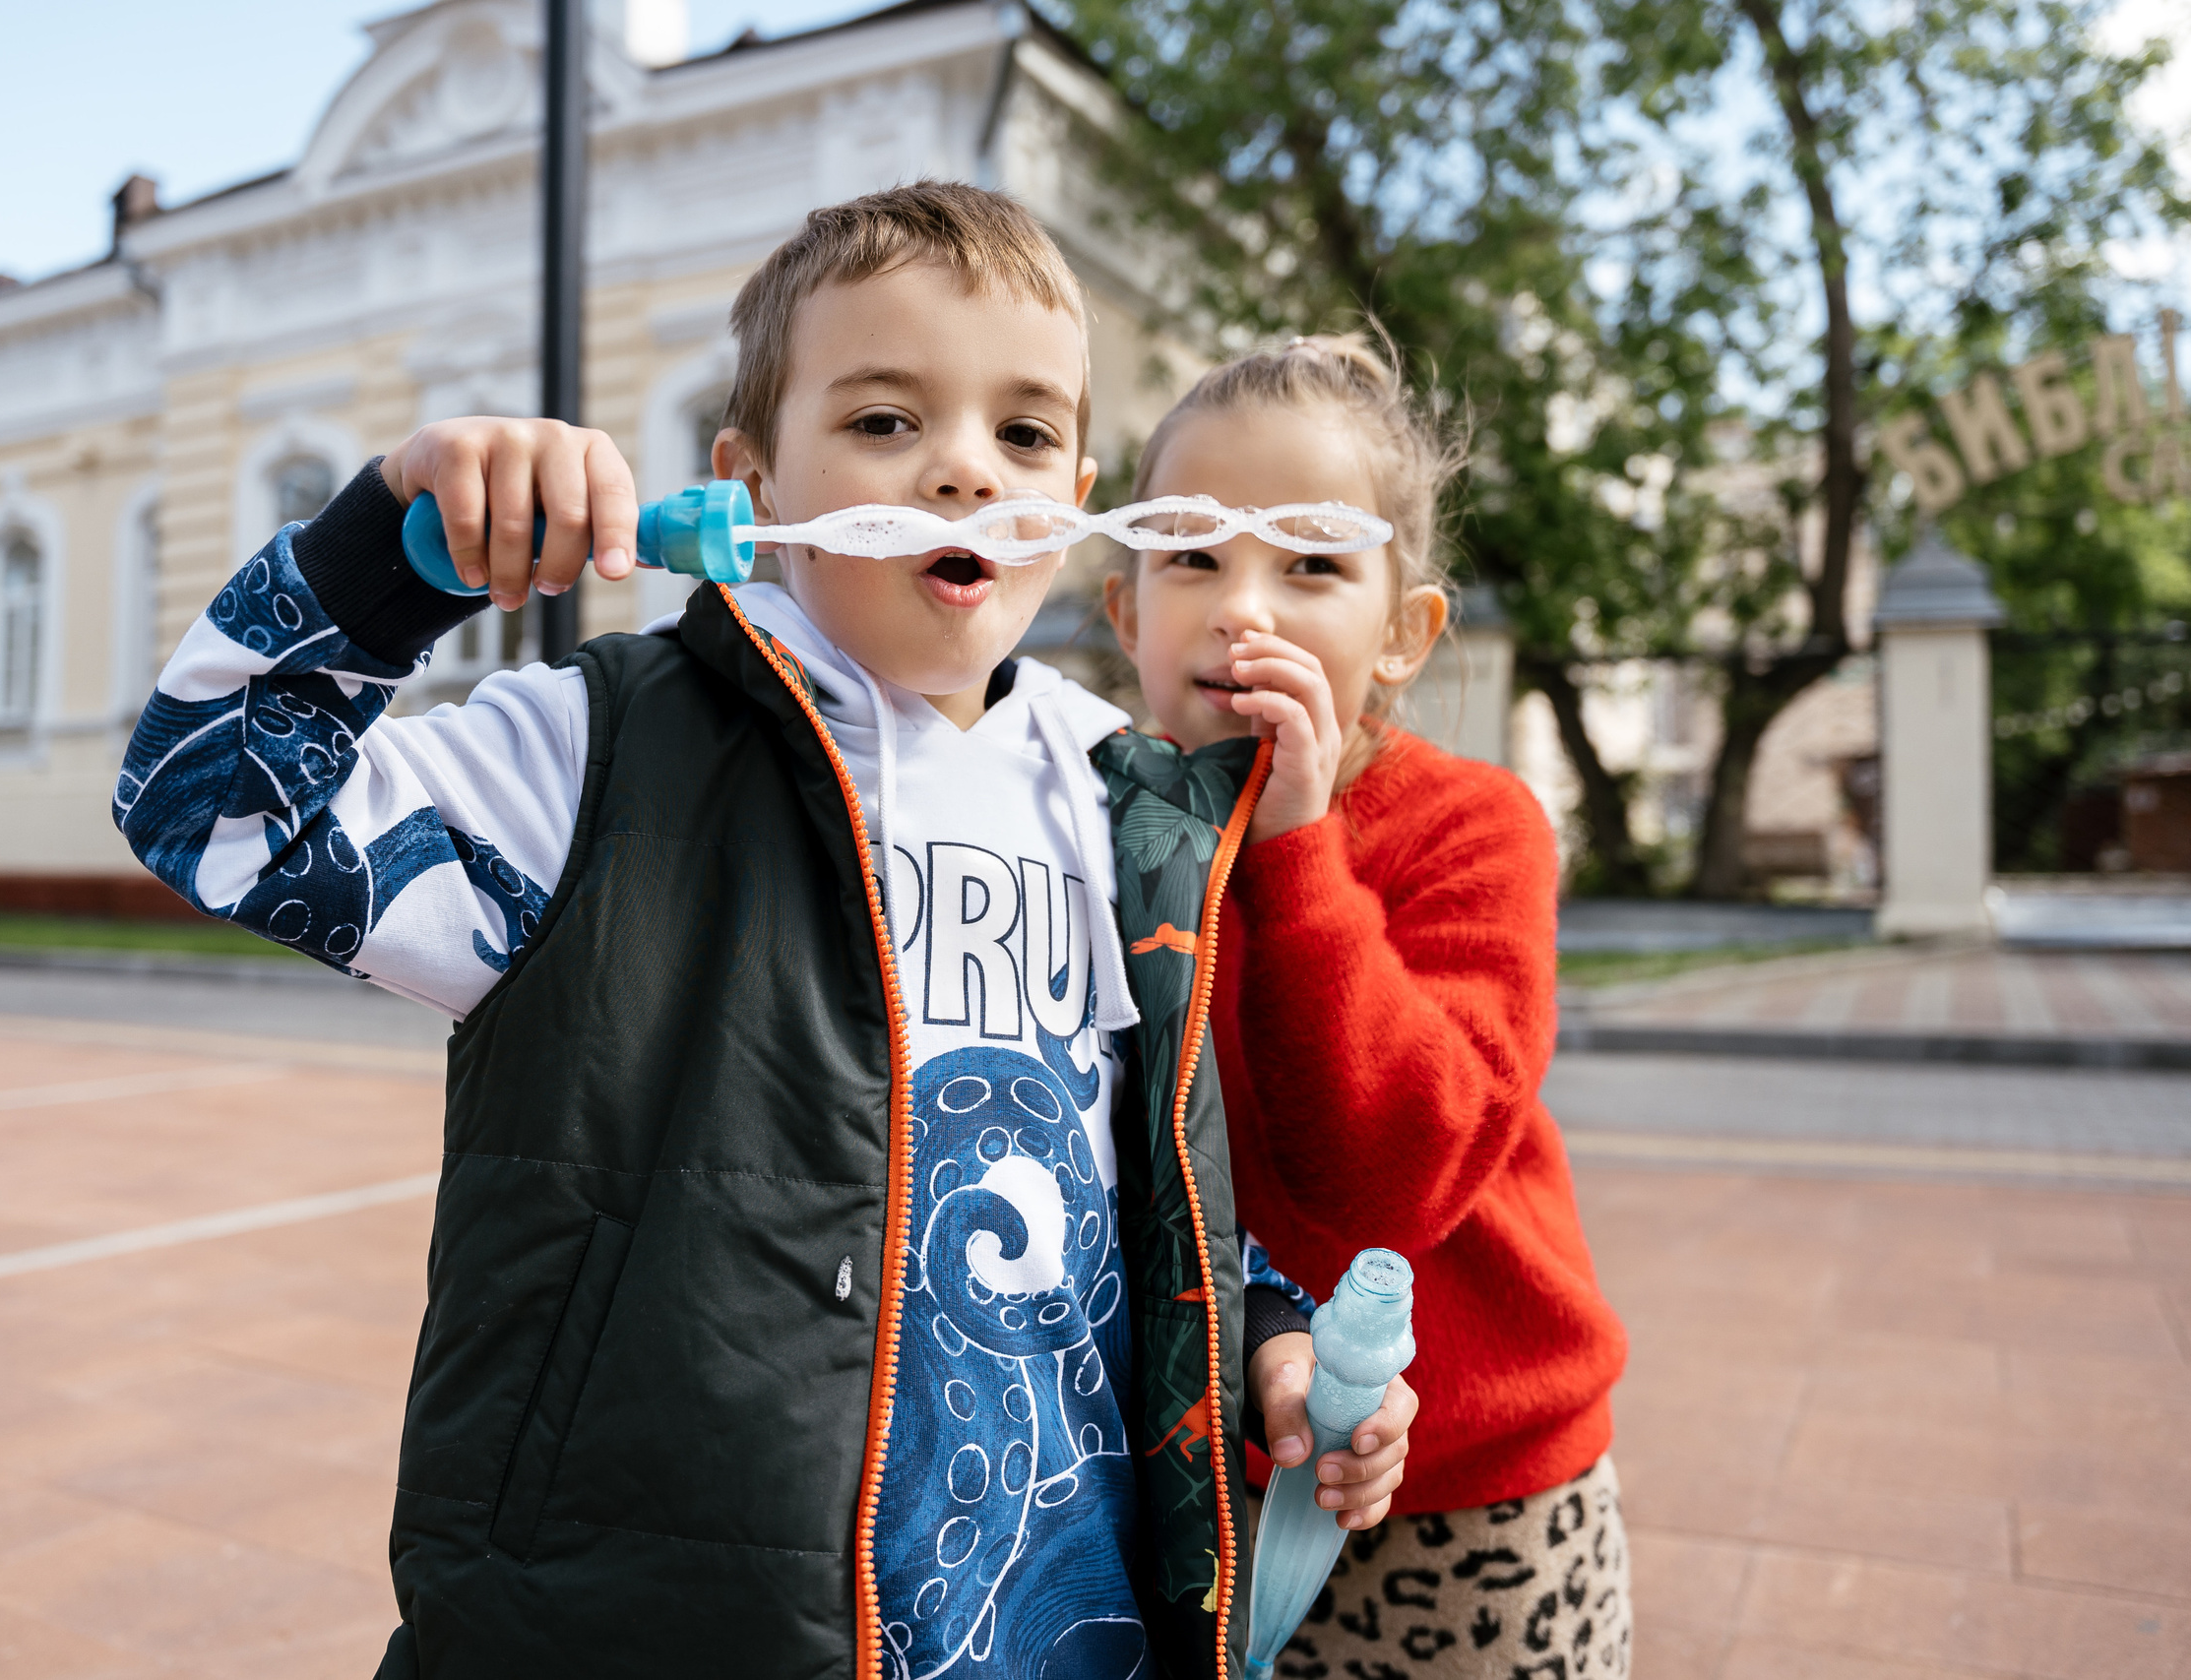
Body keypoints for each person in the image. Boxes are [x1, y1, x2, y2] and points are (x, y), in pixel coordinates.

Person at [111, 183, 1408, 1679]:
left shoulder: (1129, 804)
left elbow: (1129, 1190)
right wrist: (393, 559)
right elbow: (208, 811)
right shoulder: (595, 756)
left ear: (1082, 491)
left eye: (1026, 434)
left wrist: (1260, 1342)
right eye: (883, 423)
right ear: (747, 482)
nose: (963, 474)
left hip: (1062, 1631)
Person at [1102, 334, 1633, 1678]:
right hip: (1217, 1470)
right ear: (1124, 613)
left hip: (1474, 1490)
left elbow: (1396, 1176)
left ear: (1404, 633)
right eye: (1192, 555)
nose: (1245, 609)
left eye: (1311, 565)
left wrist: (1294, 848)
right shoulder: (1099, 826)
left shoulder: (1472, 827)